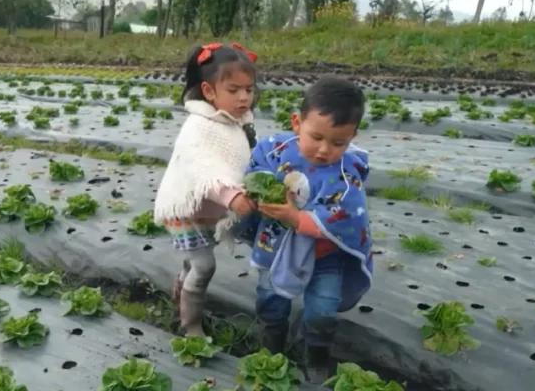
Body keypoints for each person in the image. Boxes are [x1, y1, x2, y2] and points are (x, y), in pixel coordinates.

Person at [233, 75, 374, 384]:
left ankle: (318, 354)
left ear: (352, 137)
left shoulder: (346, 174)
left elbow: (345, 215)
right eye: (316, 137)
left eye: (338, 143)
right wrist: (253, 196)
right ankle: (272, 344)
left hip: (326, 257)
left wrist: (296, 218)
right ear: (297, 123)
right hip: (275, 247)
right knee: (270, 298)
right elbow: (253, 173)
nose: (325, 150)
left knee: (322, 310)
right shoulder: (275, 150)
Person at [153, 42, 260, 337]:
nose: (243, 98)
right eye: (234, 90)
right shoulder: (198, 127)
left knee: (194, 260)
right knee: (205, 266)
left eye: (248, 90)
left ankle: (179, 295)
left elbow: (246, 156)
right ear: (209, 91)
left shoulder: (237, 122)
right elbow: (205, 168)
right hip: (185, 208)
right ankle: (191, 326)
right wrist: (232, 196)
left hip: (205, 209)